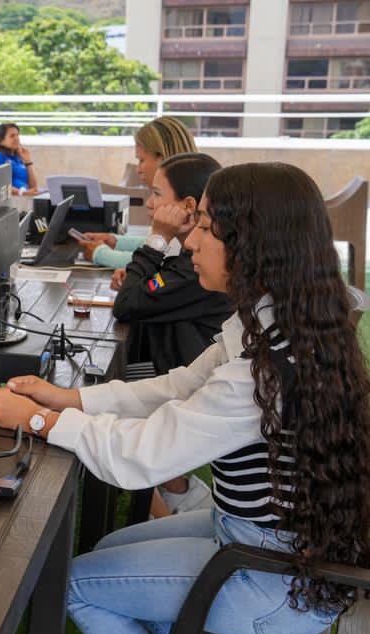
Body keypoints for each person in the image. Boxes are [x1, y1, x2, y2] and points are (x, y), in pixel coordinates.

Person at [0, 162, 370, 634]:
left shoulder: (262, 372)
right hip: (278, 543)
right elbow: (179, 386)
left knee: (79, 584)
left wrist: (38, 423)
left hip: (274, 579)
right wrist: (70, 401)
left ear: (254, 247)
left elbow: (144, 455)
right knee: (108, 555)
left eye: (207, 229)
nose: (190, 240)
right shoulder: (280, 318)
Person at [110, 152, 233, 517]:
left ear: (189, 206)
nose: (149, 204)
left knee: (114, 404)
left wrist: (156, 239)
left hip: (183, 373)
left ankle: (167, 510)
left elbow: (128, 303)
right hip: (178, 363)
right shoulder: (189, 262)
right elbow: (141, 292)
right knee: (111, 384)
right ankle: (173, 495)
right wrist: (141, 278)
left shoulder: (196, 270)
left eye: (156, 193)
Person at [79, 116, 197, 268]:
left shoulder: (181, 207)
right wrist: (116, 241)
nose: (138, 169)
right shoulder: (187, 193)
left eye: (141, 160)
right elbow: (156, 244)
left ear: (162, 159)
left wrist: (100, 254)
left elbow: (158, 261)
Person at [0, 122, 37, 195]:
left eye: (17, 135)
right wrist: (22, 193)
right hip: (10, 202)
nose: (17, 138)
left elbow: (34, 188)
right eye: (12, 136)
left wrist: (28, 161)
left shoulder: (18, 159)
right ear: (1, 141)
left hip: (25, 200)